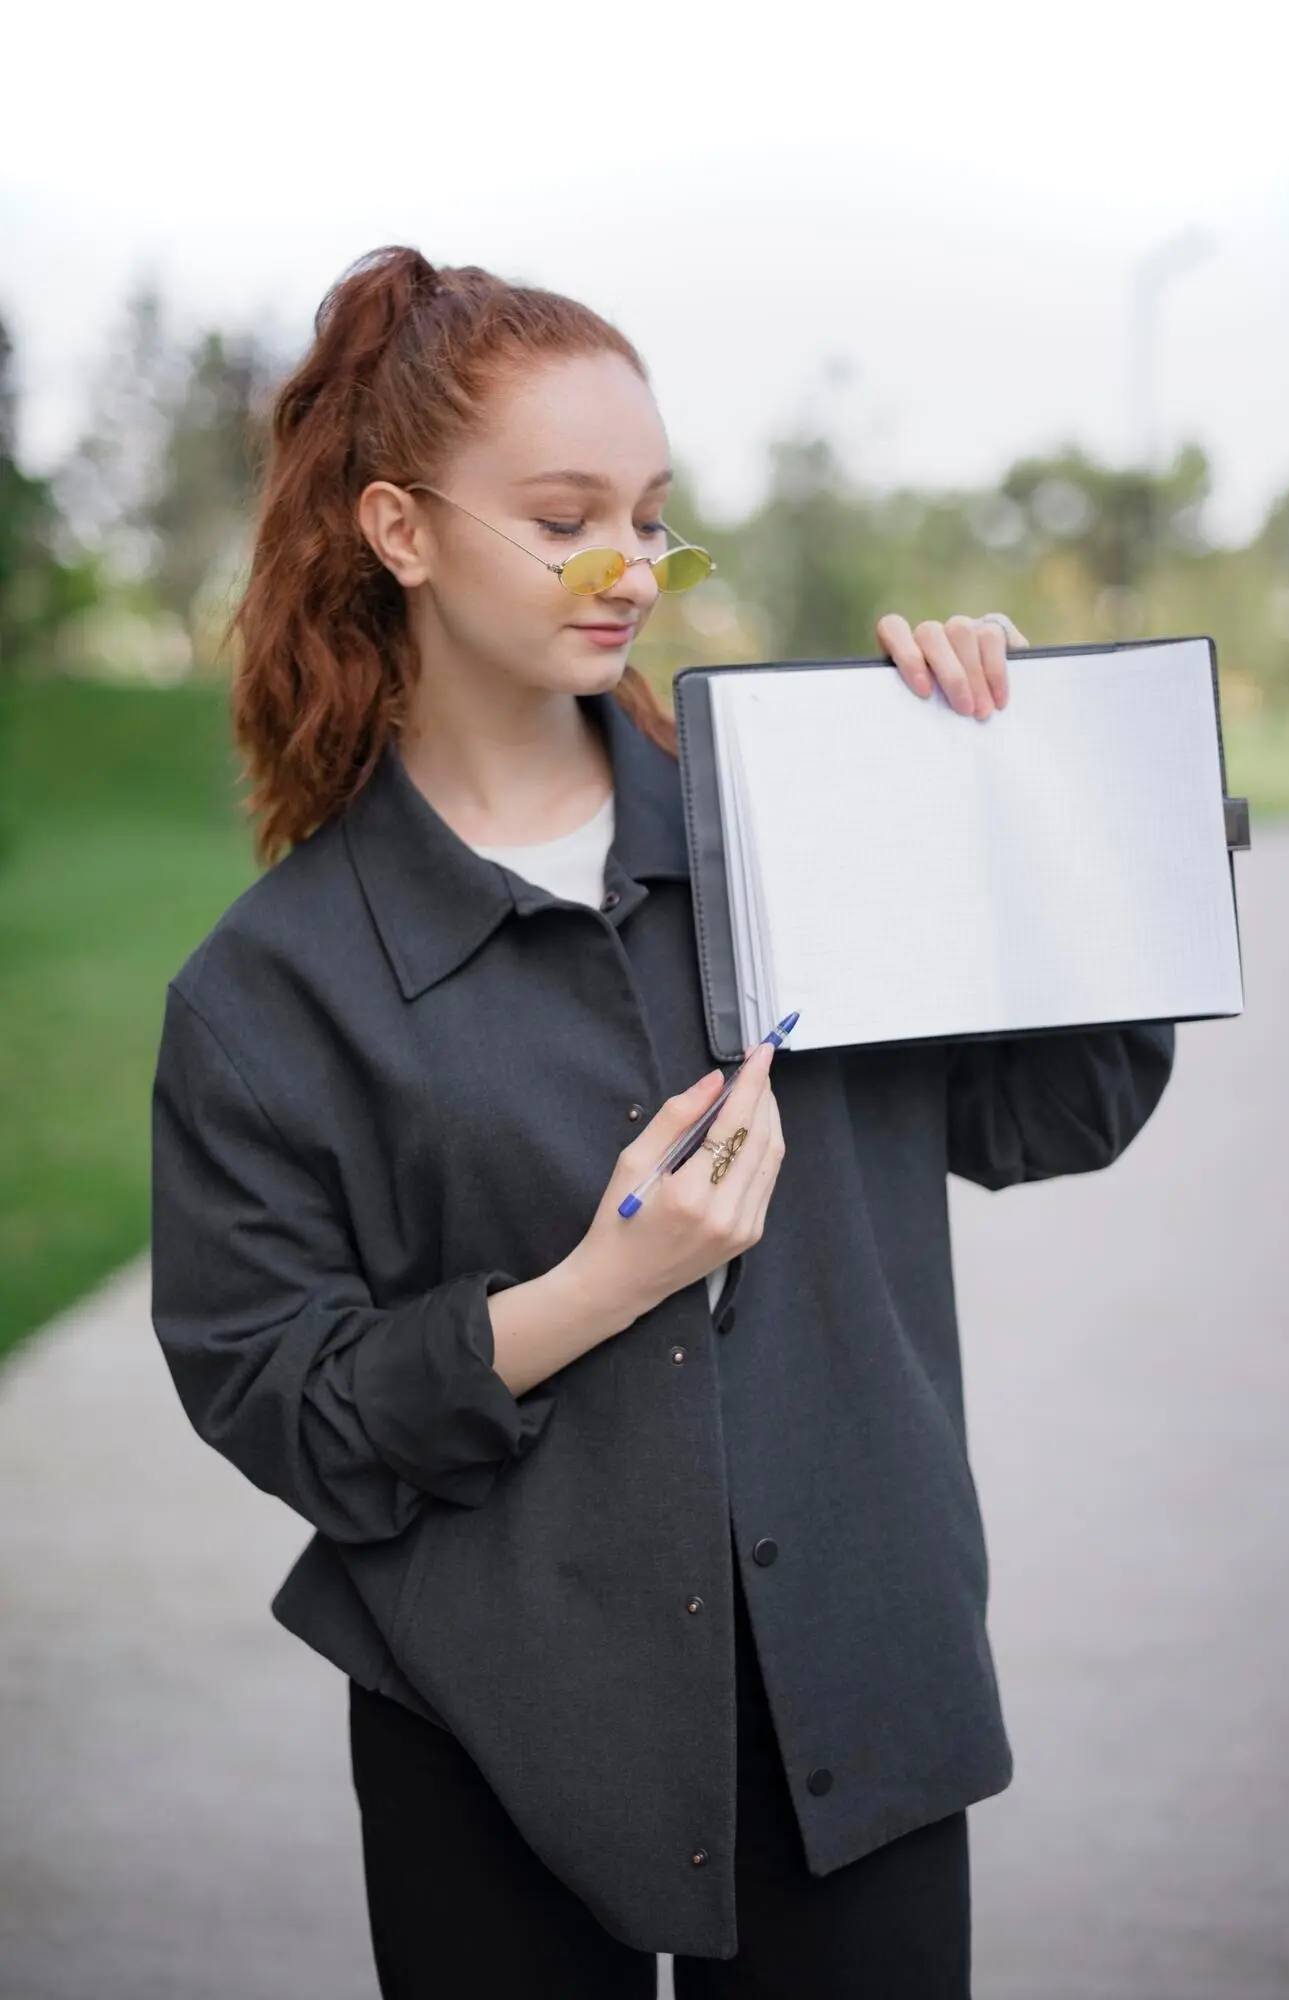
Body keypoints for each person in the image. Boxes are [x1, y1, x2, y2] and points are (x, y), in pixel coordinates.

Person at [148, 246, 1176, 1999]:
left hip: (857, 1689)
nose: (630, 567)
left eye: (652, 514)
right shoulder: (270, 990)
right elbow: (279, 1400)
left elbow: (1052, 1109)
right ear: (397, 531)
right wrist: (594, 1290)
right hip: (494, 1721)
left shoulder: (815, 829)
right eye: (563, 518)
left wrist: (1020, 777)